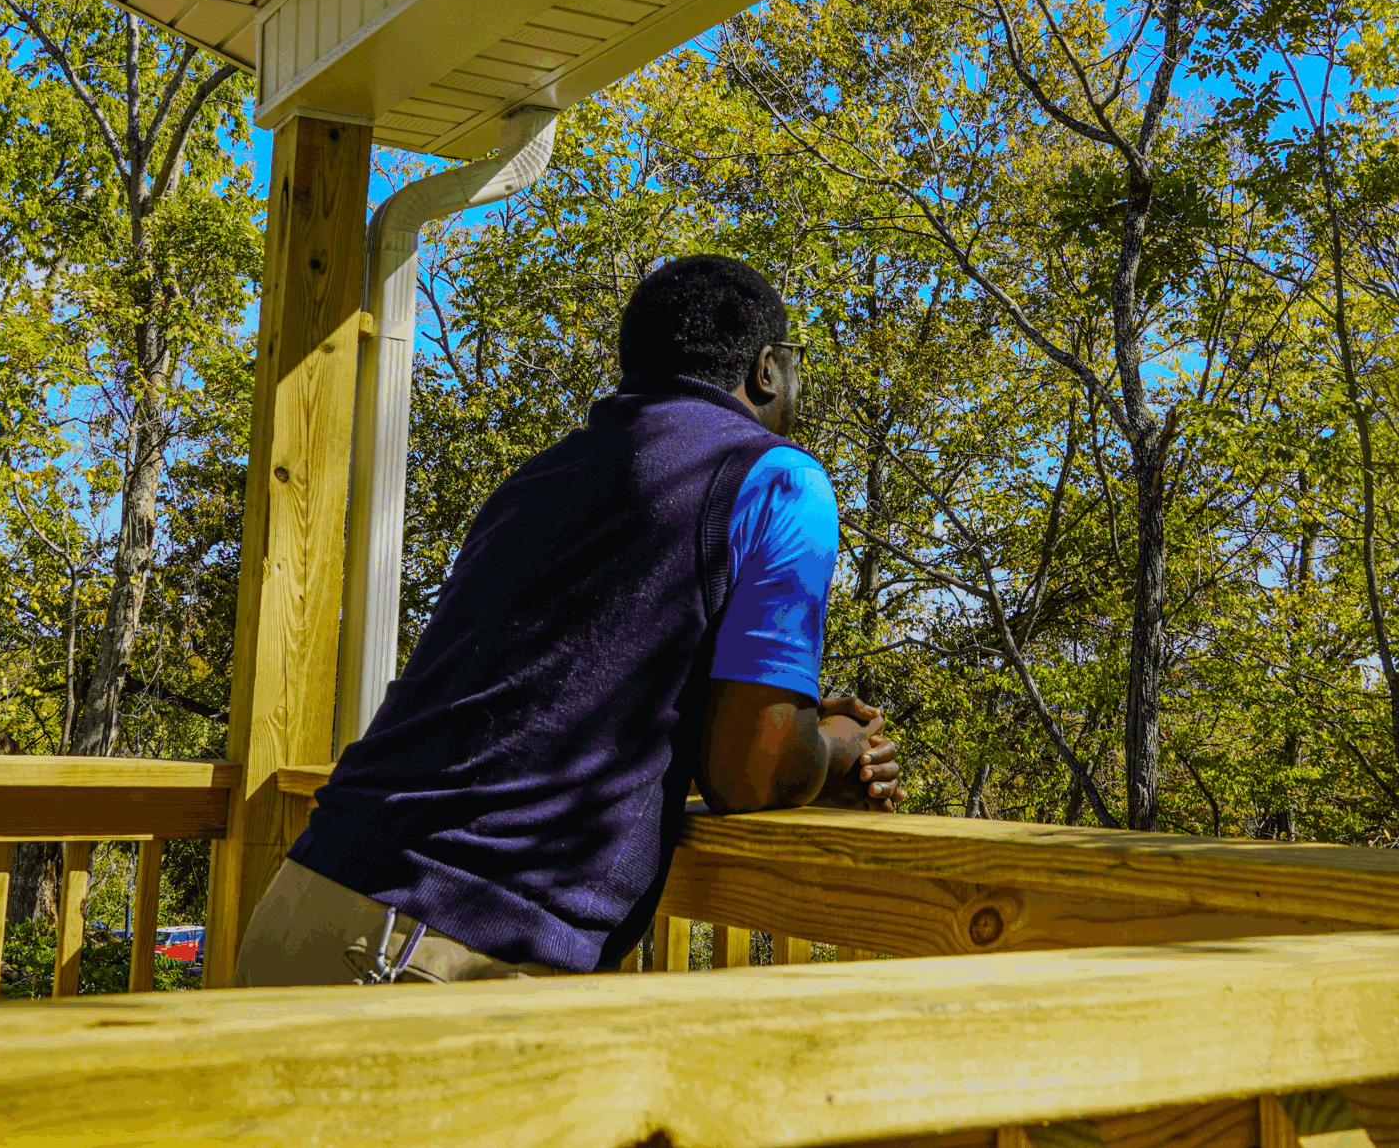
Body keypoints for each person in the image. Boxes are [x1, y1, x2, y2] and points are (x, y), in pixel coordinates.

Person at [232, 254, 903, 987]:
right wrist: (835, 748)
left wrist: (780, 722)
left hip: (302, 906)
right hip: (438, 960)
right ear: (768, 368)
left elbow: (557, 727)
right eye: (795, 365)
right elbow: (751, 772)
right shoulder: (778, 478)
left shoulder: (536, 481)